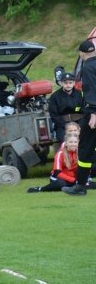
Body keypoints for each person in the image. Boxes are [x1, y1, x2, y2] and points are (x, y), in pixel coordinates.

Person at [63, 40, 96, 196]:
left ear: (82, 53)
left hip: (93, 113)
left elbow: (91, 91)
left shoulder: (87, 67)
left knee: (85, 148)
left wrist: (94, 113)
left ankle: (80, 186)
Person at [48, 72, 84, 145]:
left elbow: (84, 111)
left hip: (78, 124)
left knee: (85, 140)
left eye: (70, 83)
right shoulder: (55, 96)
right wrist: (66, 126)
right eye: (65, 83)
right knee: (65, 142)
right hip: (62, 125)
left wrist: (79, 125)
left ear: (74, 83)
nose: (68, 85)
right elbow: (54, 115)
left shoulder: (79, 94)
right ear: (61, 83)